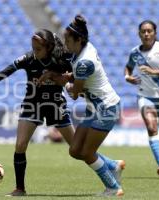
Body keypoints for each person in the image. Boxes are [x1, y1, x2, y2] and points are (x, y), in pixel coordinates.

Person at [0, 29, 75, 196]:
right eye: (33, 48)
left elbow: (78, 76)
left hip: (55, 104)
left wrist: (66, 79)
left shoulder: (62, 58)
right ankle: (20, 189)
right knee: (20, 145)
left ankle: (109, 166)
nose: (34, 52)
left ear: (49, 47)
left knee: (77, 149)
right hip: (32, 103)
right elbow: (7, 70)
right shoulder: (29, 59)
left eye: (38, 49)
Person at [60, 15, 125, 196]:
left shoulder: (84, 62)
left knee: (88, 153)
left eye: (67, 40)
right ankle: (114, 165)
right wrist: (70, 78)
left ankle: (113, 187)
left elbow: (75, 94)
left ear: (79, 40)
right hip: (94, 108)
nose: (65, 44)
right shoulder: (84, 48)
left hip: (106, 108)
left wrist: (63, 83)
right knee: (75, 150)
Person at [124, 20, 159, 177]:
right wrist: (128, 77)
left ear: (155, 33)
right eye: (143, 31)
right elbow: (128, 67)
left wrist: (154, 72)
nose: (146, 34)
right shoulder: (135, 52)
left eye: (149, 31)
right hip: (145, 96)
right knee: (152, 127)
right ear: (139, 34)